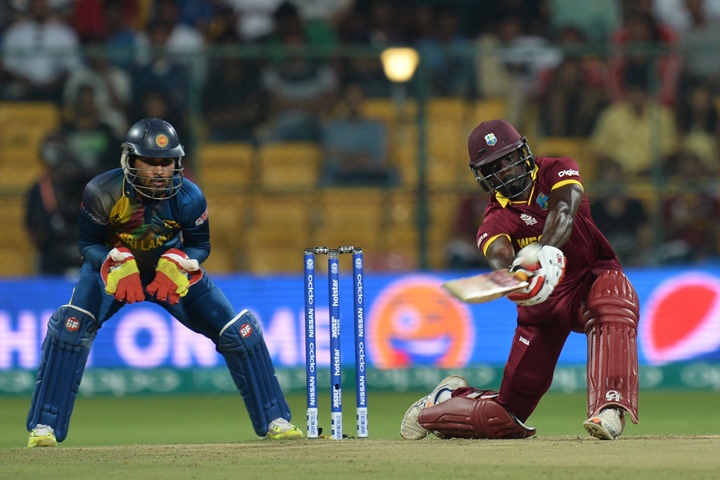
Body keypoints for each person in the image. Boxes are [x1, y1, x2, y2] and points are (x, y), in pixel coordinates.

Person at [26, 118, 303, 447]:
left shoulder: (190, 196)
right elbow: (87, 245)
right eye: (151, 161)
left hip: (168, 273)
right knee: (70, 326)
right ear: (130, 160)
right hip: (116, 270)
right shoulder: (102, 191)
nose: (160, 171)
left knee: (239, 332)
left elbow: (201, 244)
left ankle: (276, 420)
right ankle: (44, 427)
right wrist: (113, 260)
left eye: (167, 162)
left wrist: (183, 261)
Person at [401, 119, 640, 441]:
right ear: (482, 175)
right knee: (502, 417)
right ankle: (443, 400)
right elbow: (499, 256)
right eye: (495, 166)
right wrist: (517, 277)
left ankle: (610, 406)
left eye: (510, 158)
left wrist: (545, 249)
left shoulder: (557, 169)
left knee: (614, 296)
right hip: (542, 306)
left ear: (523, 152)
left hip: (589, 276)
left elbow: (565, 211)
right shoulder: (493, 220)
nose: (507, 170)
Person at [25, 133, 85, 277]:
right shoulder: (38, 189)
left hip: (81, 249)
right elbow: (31, 225)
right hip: (51, 254)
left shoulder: (80, 182)